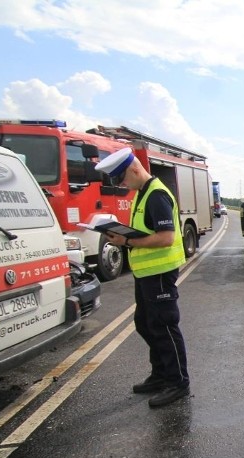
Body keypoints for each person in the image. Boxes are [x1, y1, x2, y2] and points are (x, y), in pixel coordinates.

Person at [96, 147, 190, 408]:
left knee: (164, 326)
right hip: (146, 272)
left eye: (124, 179)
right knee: (145, 324)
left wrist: (126, 239)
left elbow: (166, 237)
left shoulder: (156, 195)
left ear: (135, 169)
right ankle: (160, 375)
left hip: (159, 272)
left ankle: (177, 381)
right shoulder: (143, 192)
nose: (123, 185)